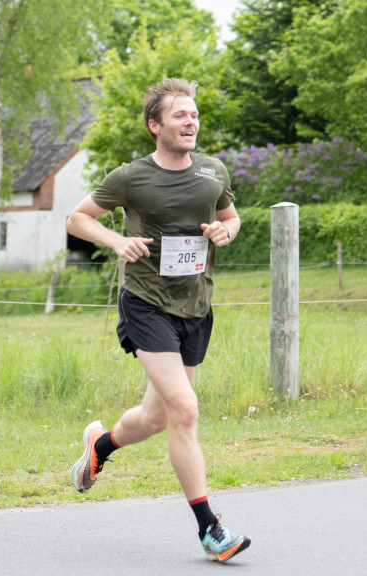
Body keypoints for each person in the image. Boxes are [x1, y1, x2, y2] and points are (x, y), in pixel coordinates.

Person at [66, 78, 250, 563]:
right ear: (155, 125)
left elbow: (232, 217)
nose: (191, 122)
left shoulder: (213, 172)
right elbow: (77, 219)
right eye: (179, 116)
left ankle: (100, 445)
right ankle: (211, 529)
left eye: (194, 115)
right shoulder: (131, 177)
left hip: (195, 306)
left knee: (157, 417)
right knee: (185, 410)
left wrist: (223, 231)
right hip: (146, 304)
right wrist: (115, 242)